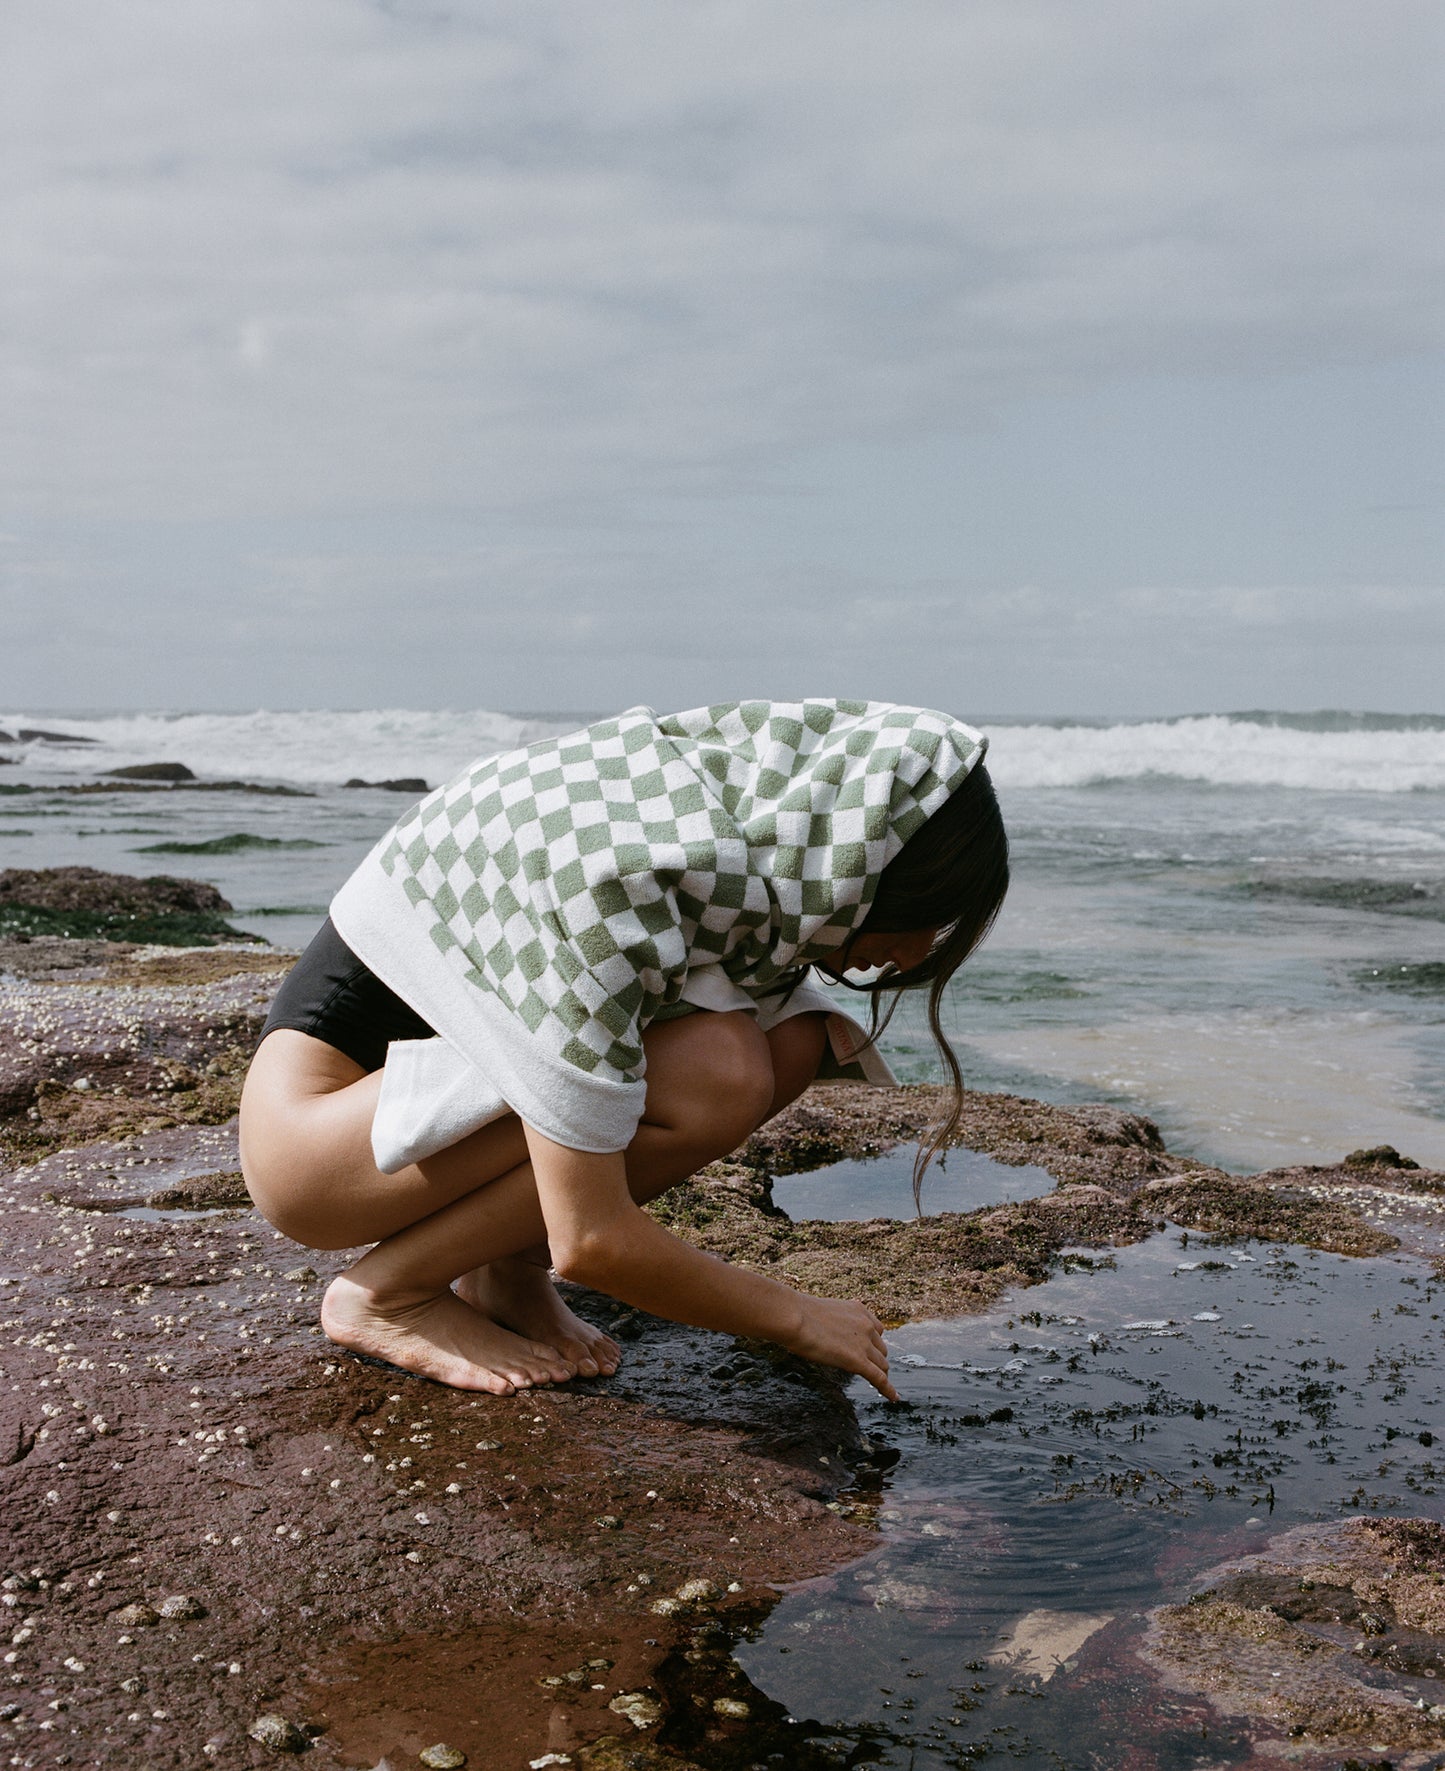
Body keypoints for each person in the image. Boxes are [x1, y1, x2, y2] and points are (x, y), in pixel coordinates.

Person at [239, 699, 1009, 1401]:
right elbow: (593, 1239)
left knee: (794, 1035)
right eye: (928, 919)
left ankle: (502, 1266)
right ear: (866, 858)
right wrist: (795, 1316)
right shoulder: (619, 875)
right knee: (718, 1070)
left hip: (374, 1114)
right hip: (308, 1150)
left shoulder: (704, 842)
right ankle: (388, 1293)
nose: (913, 957)